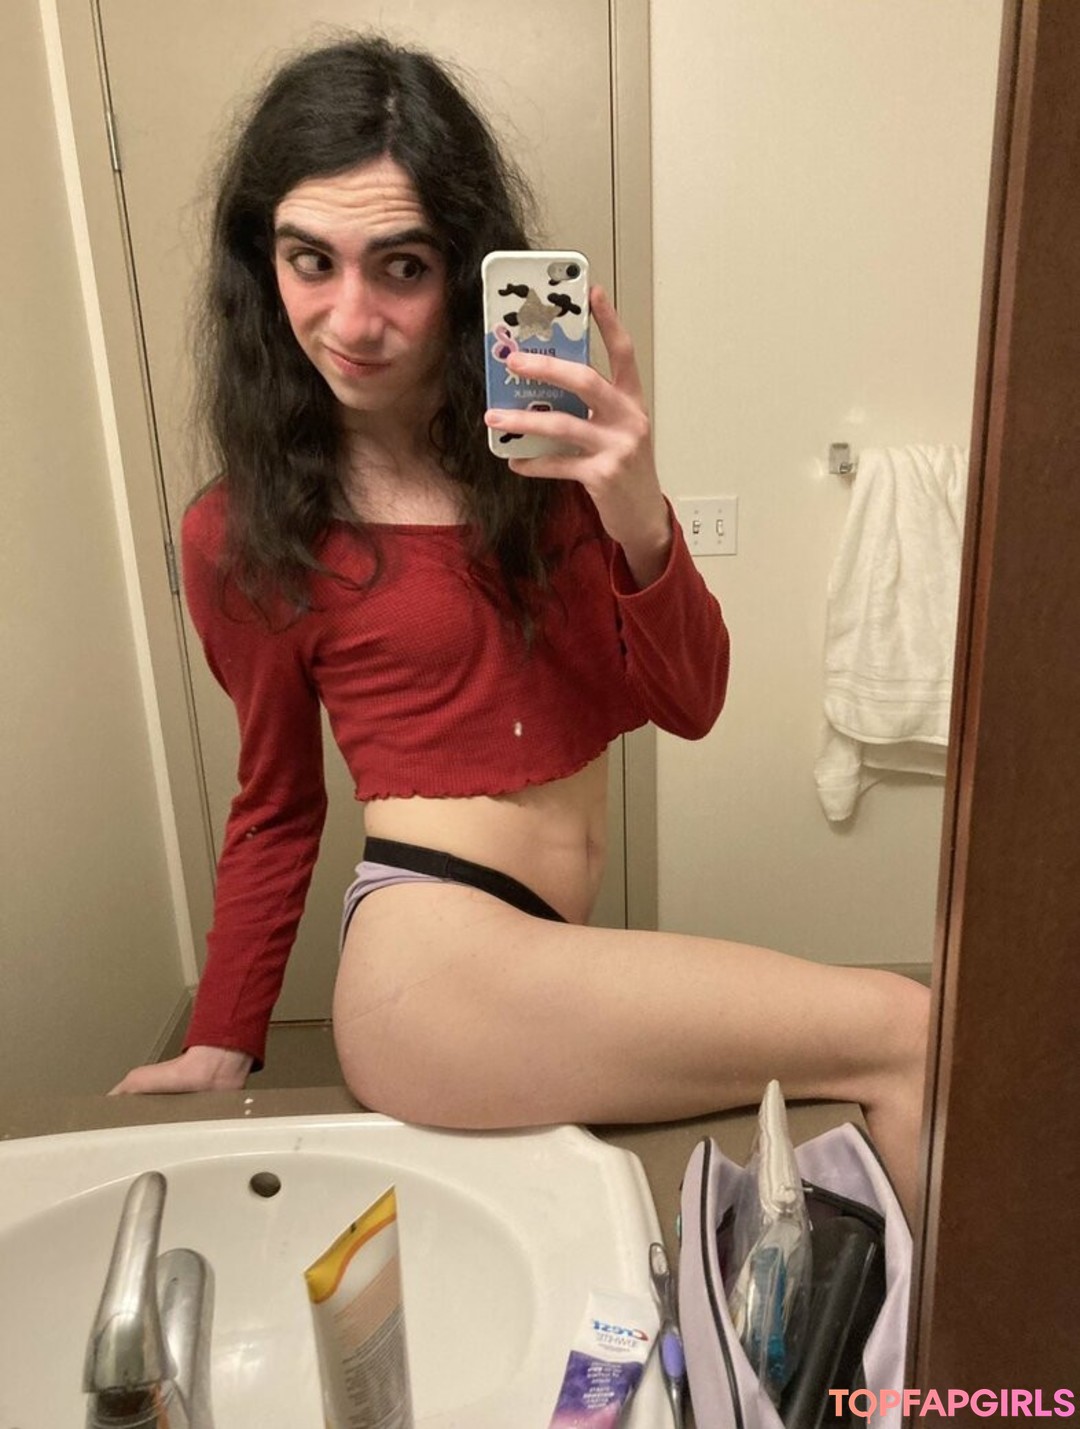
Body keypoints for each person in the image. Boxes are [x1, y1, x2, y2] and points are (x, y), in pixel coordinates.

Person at [112, 35, 929, 1221]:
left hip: (544, 947)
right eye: (310, 261)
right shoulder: (245, 531)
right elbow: (276, 801)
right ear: (264, 262)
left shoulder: (547, 467)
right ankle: (980, 1340)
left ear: (465, 267)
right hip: (431, 963)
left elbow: (692, 703)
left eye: (402, 265)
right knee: (908, 1030)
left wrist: (636, 510)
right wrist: (221, 1035)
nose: (352, 318)